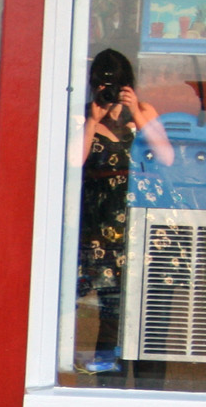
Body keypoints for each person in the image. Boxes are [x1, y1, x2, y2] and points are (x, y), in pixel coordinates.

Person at [74, 48, 173, 374]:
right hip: (103, 227)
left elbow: (166, 157)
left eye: (116, 84)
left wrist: (136, 113)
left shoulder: (143, 111)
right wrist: (92, 121)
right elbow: (75, 162)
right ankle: (109, 385)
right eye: (103, 84)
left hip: (146, 223)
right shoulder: (82, 115)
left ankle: (150, 387)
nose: (109, 91)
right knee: (111, 311)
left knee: (153, 310)